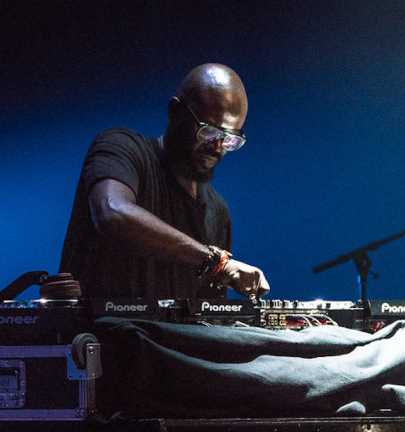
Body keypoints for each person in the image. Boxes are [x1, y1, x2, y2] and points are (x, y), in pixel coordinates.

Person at [58, 63, 270, 301]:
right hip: (97, 336)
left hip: (170, 340)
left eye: (229, 138)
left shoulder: (218, 211)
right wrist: (213, 260)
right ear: (175, 111)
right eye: (209, 131)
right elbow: (112, 213)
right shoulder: (121, 148)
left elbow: (208, 314)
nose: (217, 147)